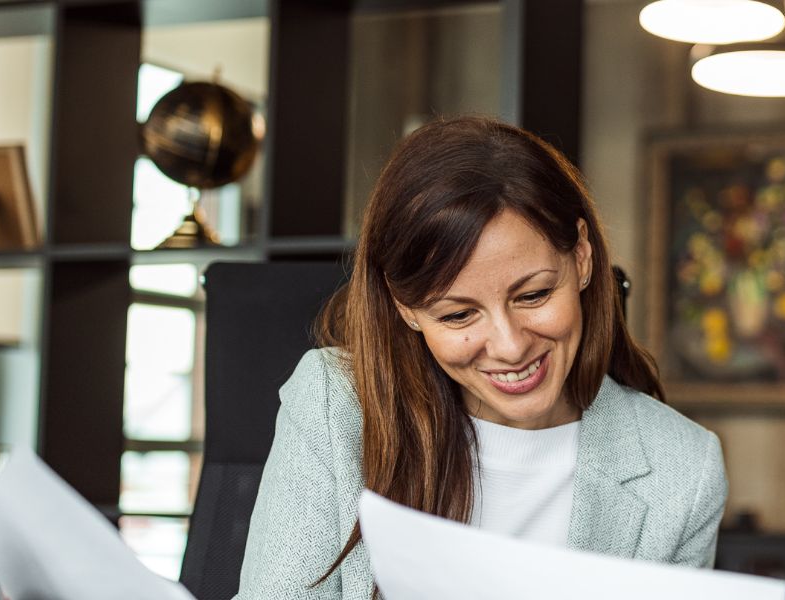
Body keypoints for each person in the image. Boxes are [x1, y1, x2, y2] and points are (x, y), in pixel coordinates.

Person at [236, 117, 726, 599]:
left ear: (581, 257)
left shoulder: (682, 466)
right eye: (458, 316)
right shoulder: (333, 406)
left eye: (533, 295)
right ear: (406, 307)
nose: (510, 346)